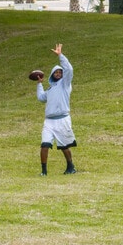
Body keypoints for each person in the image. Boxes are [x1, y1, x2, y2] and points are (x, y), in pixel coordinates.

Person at [35, 43, 77, 175]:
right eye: (56, 72)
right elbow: (42, 98)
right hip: (49, 121)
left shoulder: (65, 84)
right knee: (44, 144)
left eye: (60, 72)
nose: (58, 73)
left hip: (62, 119)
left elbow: (69, 69)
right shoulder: (51, 88)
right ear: (52, 74)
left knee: (64, 146)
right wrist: (40, 84)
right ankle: (44, 172)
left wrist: (60, 56)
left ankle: (71, 167)